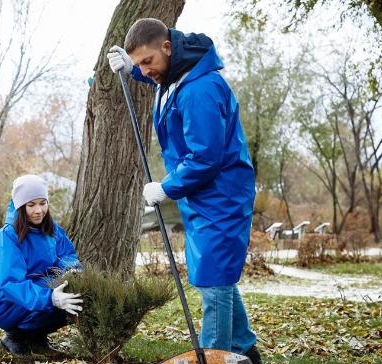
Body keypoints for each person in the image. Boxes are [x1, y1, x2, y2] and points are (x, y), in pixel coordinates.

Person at [107, 18, 262, 364]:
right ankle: (247, 350)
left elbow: (205, 158)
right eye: (139, 65)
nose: (146, 71)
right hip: (203, 197)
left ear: (167, 47)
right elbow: (159, 76)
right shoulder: (177, 75)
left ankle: (215, 355)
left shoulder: (200, 89)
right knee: (214, 276)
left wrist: (166, 187)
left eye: (147, 62)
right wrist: (131, 69)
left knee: (213, 283)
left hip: (221, 197)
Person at [0, 174, 83, 355]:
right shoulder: (8, 236)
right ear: (20, 206)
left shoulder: (53, 230)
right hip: (1, 298)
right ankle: (14, 337)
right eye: (31, 205)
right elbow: (12, 282)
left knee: (73, 292)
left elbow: (67, 256)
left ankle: (36, 338)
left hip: (36, 288)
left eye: (43, 203)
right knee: (54, 297)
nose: (38, 210)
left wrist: (71, 271)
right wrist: (50, 298)